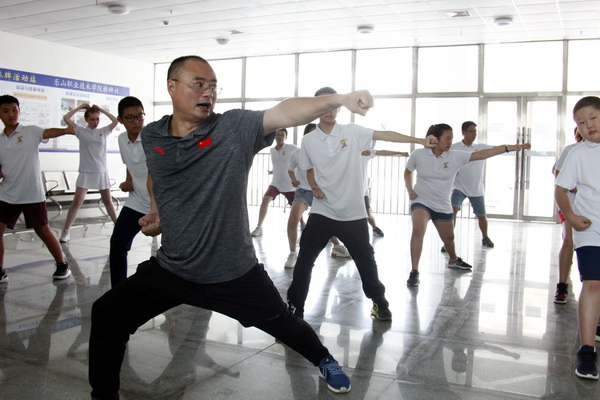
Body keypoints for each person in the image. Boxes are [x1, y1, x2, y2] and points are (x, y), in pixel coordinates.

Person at [87, 55, 379, 399]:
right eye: (198, 84)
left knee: (284, 324)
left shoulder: (232, 129)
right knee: (106, 313)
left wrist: (340, 99)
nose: (208, 92)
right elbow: (160, 179)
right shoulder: (153, 136)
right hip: (174, 268)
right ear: (172, 87)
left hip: (232, 271)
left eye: (213, 86)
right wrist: (157, 213)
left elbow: (285, 112)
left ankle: (324, 359)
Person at [286, 86, 435, 322]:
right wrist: (313, 185)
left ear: (339, 107)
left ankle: (380, 304)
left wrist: (418, 140)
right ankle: (295, 309)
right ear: (316, 108)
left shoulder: (353, 132)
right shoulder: (308, 140)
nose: (330, 110)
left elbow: (384, 135)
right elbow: (308, 168)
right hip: (322, 212)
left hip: (353, 214)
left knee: (366, 264)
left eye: (334, 105)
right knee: (304, 261)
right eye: (324, 105)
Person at [404, 123, 530, 287]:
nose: (450, 142)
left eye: (452, 138)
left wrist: (508, 148)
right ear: (434, 139)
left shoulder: (455, 156)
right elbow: (408, 171)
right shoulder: (419, 154)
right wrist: (410, 190)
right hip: (421, 200)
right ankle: (414, 271)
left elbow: (482, 154)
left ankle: (454, 259)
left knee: (449, 239)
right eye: (447, 138)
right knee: (418, 229)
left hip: (442, 204)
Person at [0, 94, 74, 282]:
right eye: (6, 111)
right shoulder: (0, 140)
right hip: (7, 193)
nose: (11, 114)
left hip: (31, 193)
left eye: (14, 110)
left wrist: (66, 131)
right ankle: (0, 270)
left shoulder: (30, 132)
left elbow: (47, 133)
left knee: (43, 230)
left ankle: (62, 264)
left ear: (19, 111)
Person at [555, 96, 600, 380]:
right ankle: (586, 350)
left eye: (593, 118)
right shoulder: (577, 154)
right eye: (581, 123)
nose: (588, 126)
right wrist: (570, 217)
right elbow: (561, 190)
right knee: (593, 283)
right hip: (590, 225)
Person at [285, 123, 350, 269]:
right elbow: (290, 169)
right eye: (312, 133)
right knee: (293, 220)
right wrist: (294, 180)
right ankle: (292, 253)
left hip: (322, 192)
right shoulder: (297, 154)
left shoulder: (329, 152)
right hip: (304, 191)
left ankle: (337, 246)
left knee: (327, 222)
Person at [59, 103, 119, 243]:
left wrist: (101, 110)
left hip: (101, 171)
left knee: (108, 201)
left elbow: (115, 121)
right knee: (77, 202)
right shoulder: (80, 131)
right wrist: (80, 107)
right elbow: (66, 117)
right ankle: (66, 231)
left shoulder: (104, 131)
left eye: (97, 119)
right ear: (86, 119)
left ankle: (119, 228)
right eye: (92, 119)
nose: (95, 122)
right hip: (86, 171)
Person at [108, 96, 151, 287]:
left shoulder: (151, 138)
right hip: (137, 201)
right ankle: (118, 291)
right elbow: (129, 162)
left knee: (175, 252)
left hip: (161, 203)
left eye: (140, 116)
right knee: (118, 245)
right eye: (130, 117)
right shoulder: (121, 139)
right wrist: (129, 180)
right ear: (120, 119)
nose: (136, 121)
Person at [448, 121, 495, 249]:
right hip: (459, 187)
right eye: (471, 131)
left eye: (475, 132)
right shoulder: (454, 147)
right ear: (463, 132)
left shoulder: (481, 147)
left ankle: (485, 237)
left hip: (476, 188)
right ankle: (448, 240)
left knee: (481, 215)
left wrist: (514, 147)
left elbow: (497, 149)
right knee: (452, 211)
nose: (474, 134)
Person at [552, 127, 584, 304]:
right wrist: (575, 188)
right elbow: (558, 175)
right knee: (569, 240)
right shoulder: (571, 151)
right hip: (570, 204)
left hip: (592, 208)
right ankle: (562, 284)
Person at [251, 128, 297, 237]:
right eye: (277, 134)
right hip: (275, 183)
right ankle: (259, 227)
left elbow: (301, 158)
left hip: (289, 185)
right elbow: (278, 164)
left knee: (296, 208)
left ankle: (303, 224)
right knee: (265, 200)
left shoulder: (292, 148)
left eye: (282, 135)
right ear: (274, 136)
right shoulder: (272, 150)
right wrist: (272, 171)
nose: (279, 137)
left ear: (286, 137)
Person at [360, 148, 409, 238]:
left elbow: (382, 152)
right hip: (349, 191)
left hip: (362, 191)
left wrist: (400, 153)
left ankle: (374, 228)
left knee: (367, 212)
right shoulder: (346, 154)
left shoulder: (364, 153)